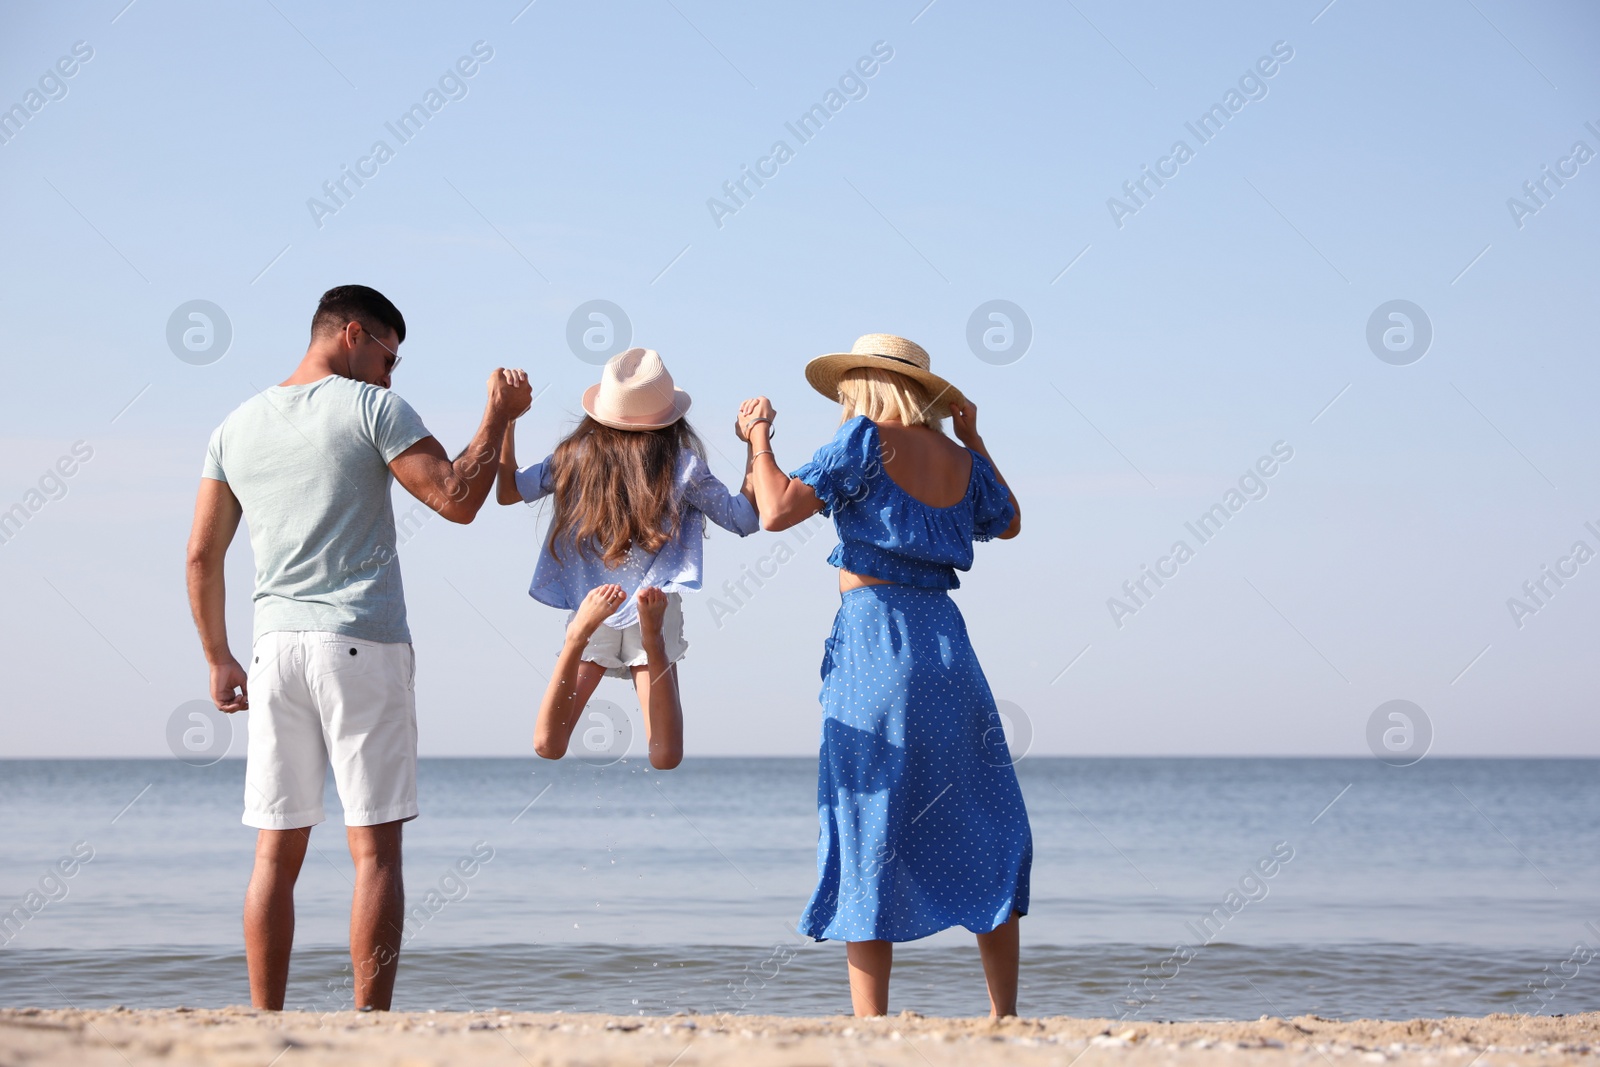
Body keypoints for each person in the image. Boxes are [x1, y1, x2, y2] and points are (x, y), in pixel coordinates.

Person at [184, 284, 532, 1011]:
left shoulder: (234, 426)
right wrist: (497, 418)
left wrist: (218, 655)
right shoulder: (373, 408)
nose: (390, 375)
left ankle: (261, 1021)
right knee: (374, 850)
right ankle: (368, 1024)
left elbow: (199, 557)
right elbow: (458, 499)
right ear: (352, 334)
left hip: (275, 647)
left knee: (275, 853)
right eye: (388, 356)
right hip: (359, 642)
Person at [737, 333, 1030, 1018]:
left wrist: (757, 437)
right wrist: (975, 437)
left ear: (862, 386)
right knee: (980, 812)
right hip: (948, 647)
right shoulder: (958, 458)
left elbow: (776, 509)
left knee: (869, 814)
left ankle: (872, 1023)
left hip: (877, 639)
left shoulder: (863, 441)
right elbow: (1008, 521)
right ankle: (1005, 1016)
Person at [495, 347, 759, 769]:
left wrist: (506, 419)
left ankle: (576, 636)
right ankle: (651, 643)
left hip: (593, 602)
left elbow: (508, 491)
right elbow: (743, 520)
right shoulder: (682, 466)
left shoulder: (574, 457)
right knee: (665, 757)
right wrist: (754, 442)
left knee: (549, 744)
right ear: (670, 417)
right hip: (652, 606)